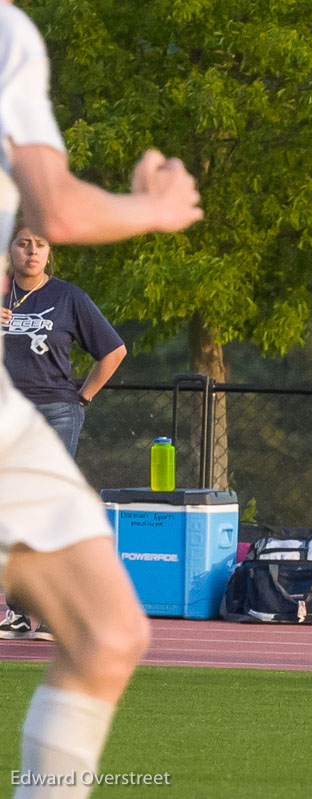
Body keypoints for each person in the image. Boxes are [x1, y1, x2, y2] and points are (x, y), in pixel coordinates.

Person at [0, 2, 204, 796]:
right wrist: (155, 209)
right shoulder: (8, 31)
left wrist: (78, 398)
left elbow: (109, 345)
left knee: (105, 629)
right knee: (105, 632)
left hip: (36, 415)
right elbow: (61, 206)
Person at [1, 225, 128, 642]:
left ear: (49, 251)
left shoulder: (68, 297)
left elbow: (113, 350)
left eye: (39, 244)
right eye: (23, 244)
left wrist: (83, 398)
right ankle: (21, 612)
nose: (31, 252)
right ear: (11, 250)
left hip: (56, 410)